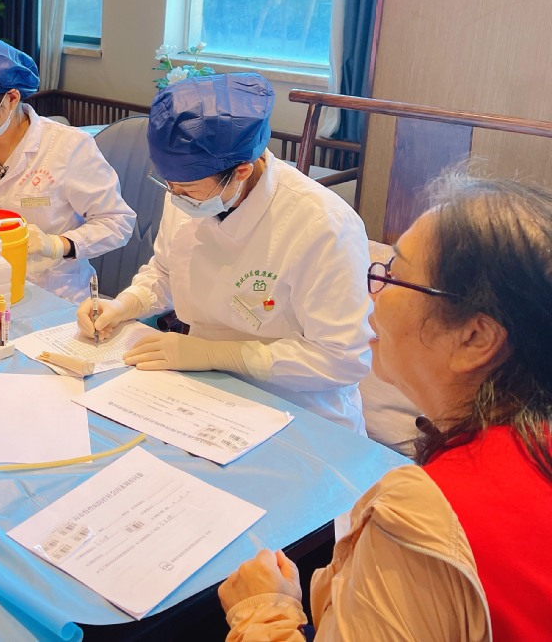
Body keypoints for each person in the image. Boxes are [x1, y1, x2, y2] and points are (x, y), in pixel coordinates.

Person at [220, 175, 552, 641]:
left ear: (475, 338)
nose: (372, 291)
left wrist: (264, 612)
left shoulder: (422, 517)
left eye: (394, 275)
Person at [76, 73, 371, 431]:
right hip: (207, 390)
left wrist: (217, 353)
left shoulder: (324, 225)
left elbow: (341, 358)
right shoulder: (190, 192)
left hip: (298, 408)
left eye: (187, 189)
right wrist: (125, 304)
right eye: (169, 185)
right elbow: (167, 272)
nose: (176, 197)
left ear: (242, 171)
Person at [0, 36, 134, 303]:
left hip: (55, 295)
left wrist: (58, 244)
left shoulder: (69, 147)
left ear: (11, 98)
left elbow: (117, 222)